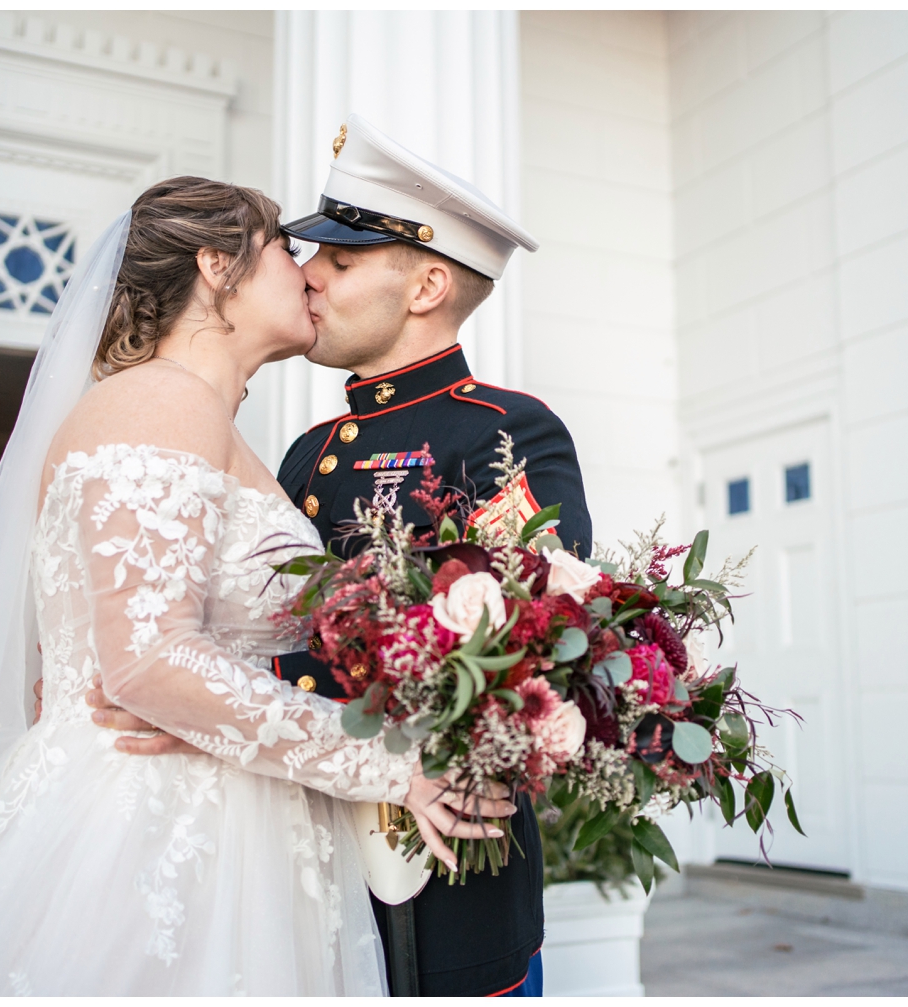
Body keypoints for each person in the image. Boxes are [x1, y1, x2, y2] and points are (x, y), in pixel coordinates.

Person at [0, 178, 513, 997]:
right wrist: (388, 762)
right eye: (288, 248)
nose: (310, 270)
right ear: (218, 267)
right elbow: (147, 663)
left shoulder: (205, 419)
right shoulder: (158, 401)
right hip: (148, 833)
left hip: (228, 814)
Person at [91, 116, 590, 997]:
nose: (309, 273)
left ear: (429, 283)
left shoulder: (506, 432)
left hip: (440, 866)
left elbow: (527, 648)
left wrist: (208, 694)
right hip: (293, 853)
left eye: (343, 261)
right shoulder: (304, 448)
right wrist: (185, 691)